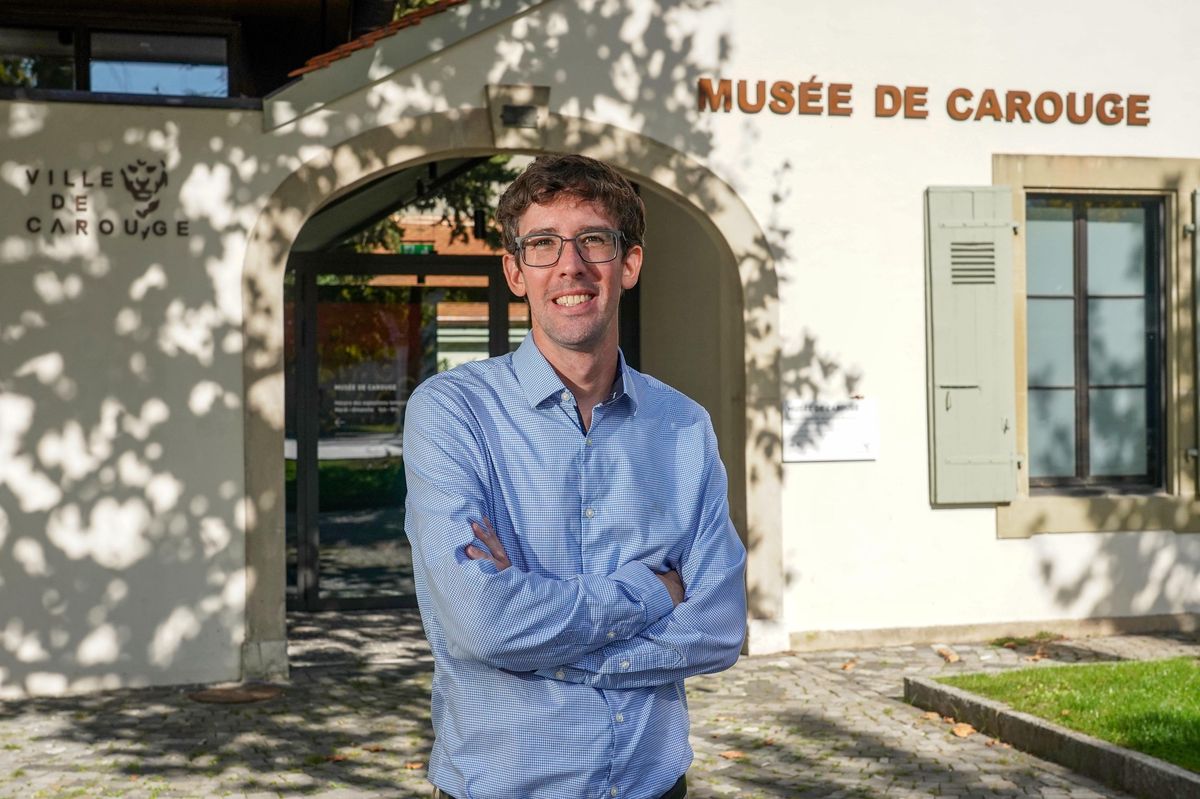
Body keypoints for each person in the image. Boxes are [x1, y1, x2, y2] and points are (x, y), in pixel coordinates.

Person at [403, 153, 747, 799]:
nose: (570, 265)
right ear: (515, 272)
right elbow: (482, 623)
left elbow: (719, 627)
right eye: (542, 244)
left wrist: (544, 653)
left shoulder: (684, 425)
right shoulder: (453, 411)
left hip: (653, 784)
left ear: (629, 264)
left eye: (593, 240)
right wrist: (653, 591)